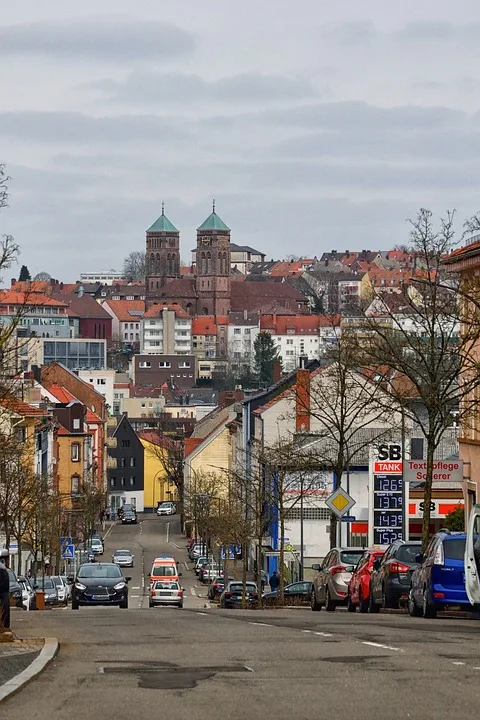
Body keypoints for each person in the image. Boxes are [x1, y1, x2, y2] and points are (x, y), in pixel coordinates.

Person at [0, 549, 10, 630]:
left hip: (2, 590)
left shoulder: (2, 568)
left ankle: (4, 624)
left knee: (5, 599)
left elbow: (5, 586)